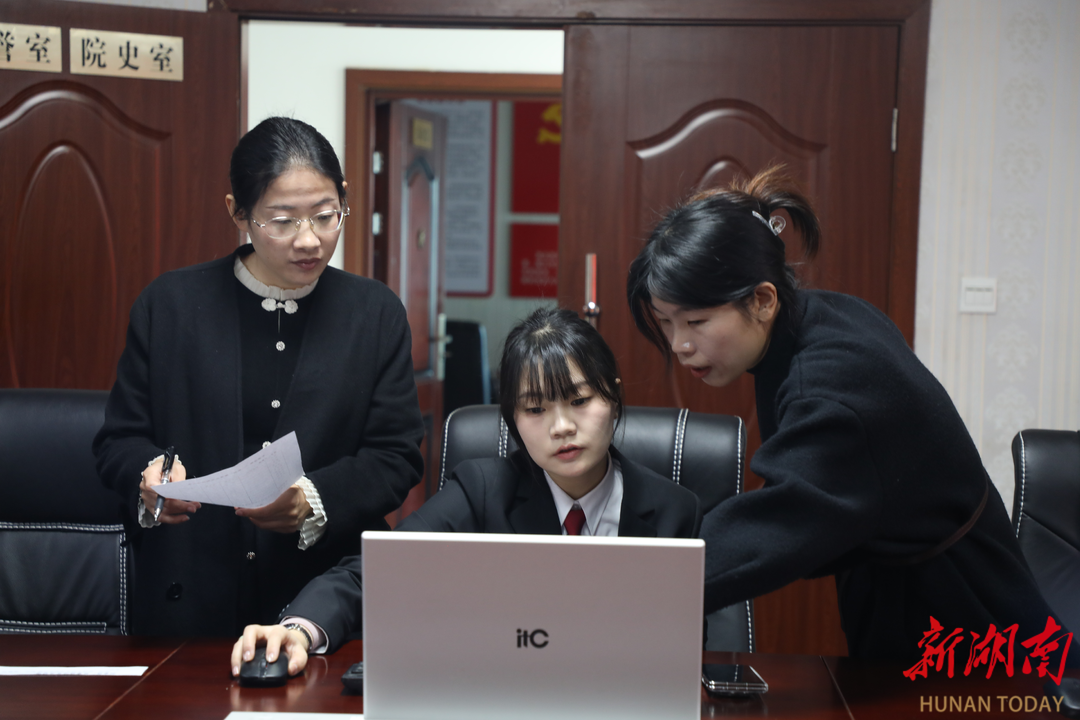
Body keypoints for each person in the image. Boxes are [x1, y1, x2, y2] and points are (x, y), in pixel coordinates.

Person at [625, 166, 1069, 662]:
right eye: (667, 323)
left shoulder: (832, 388)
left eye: (696, 321)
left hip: (962, 620)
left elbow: (778, 523)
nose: (680, 345)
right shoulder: (820, 316)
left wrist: (635, 589)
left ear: (763, 300)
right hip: (913, 591)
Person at [229, 307, 702, 677]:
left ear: (613, 397)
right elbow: (376, 571)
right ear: (512, 420)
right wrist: (298, 629)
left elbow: (689, 646)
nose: (562, 427)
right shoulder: (483, 490)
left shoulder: (674, 512)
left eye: (580, 401)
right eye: (535, 409)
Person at [93, 117, 425, 636]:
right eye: (282, 221)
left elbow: (396, 455)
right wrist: (150, 474)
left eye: (326, 215)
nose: (309, 240)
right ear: (238, 212)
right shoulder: (170, 305)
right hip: (188, 592)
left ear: (344, 198)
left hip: (322, 599)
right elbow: (118, 440)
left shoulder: (374, 313)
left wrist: (314, 498)